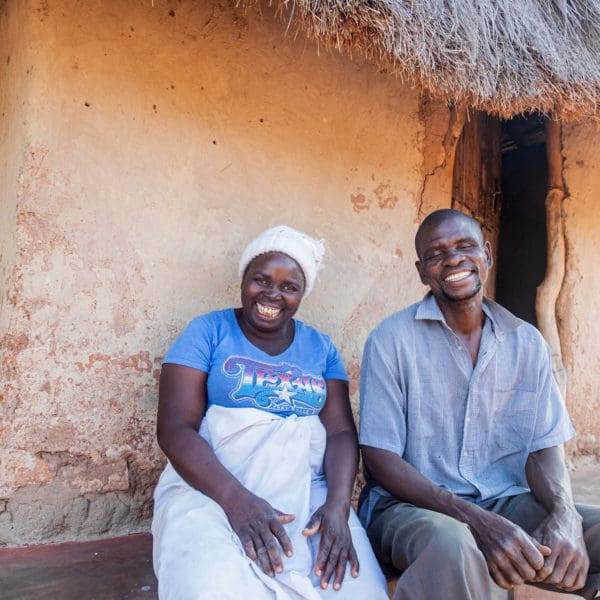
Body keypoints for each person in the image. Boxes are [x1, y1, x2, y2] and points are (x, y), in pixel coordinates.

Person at [358, 208, 600, 600]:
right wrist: (477, 521)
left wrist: (565, 515)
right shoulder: (391, 341)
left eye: (465, 246)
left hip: (503, 500)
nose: (453, 259)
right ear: (422, 272)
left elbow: (543, 449)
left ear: (486, 255)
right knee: (454, 544)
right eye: (436, 254)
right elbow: (379, 457)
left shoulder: (527, 342)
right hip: (409, 508)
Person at [152, 225, 388, 600]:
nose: (272, 294)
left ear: (301, 294)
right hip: (209, 487)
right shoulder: (208, 331)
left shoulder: (320, 348)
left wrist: (339, 507)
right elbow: (175, 429)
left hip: (307, 491)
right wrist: (236, 501)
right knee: (211, 587)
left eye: (289, 286)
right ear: (243, 280)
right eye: (260, 280)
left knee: (358, 590)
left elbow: (341, 433)